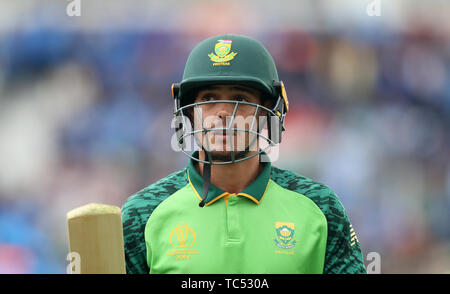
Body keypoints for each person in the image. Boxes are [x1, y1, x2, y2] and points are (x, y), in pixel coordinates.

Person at [121, 34, 366, 274]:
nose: (224, 113)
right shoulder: (141, 214)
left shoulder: (321, 208)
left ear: (268, 112)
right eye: (208, 98)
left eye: (241, 98)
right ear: (189, 112)